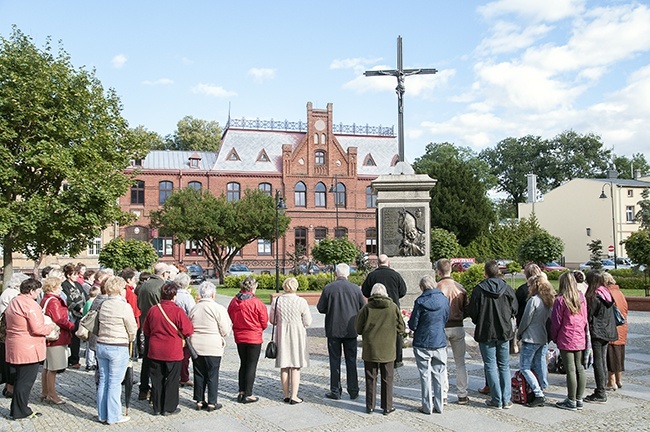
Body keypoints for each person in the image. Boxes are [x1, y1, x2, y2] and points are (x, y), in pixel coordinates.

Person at [468, 260, 518, 410]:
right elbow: (514, 309)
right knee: (504, 365)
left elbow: (473, 312)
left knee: (490, 365)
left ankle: (497, 399)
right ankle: (506, 399)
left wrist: (478, 320)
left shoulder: (479, 289)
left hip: (486, 331)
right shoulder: (507, 288)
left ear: (485, 272)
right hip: (503, 330)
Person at [5, 278, 54, 420]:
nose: (38, 294)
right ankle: (21, 411)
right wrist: (50, 327)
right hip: (29, 347)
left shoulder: (14, 301)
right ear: (32, 291)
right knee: (25, 381)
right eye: (37, 291)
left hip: (15, 344)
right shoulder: (30, 305)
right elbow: (38, 328)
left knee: (19, 378)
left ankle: (16, 408)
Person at [143, 281, 194, 416]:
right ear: (174, 296)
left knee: (156, 379)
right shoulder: (178, 311)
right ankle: (169, 407)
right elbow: (188, 330)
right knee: (172, 379)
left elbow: (146, 330)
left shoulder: (153, 310)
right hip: (173, 350)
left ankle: (157, 406)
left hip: (155, 349)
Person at [317, 263, 366, 400]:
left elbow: (321, 308)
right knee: (351, 360)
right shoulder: (355, 289)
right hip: (351, 330)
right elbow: (364, 307)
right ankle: (353, 390)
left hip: (334, 329)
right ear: (348, 274)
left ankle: (335, 390)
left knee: (334, 360)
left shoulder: (328, 288)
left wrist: (331, 308)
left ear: (336, 273)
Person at [355, 283, 405, 415]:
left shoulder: (366, 308)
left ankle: (370, 406)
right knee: (387, 378)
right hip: (388, 348)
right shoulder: (393, 307)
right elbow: (401, 328)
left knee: (371, 377)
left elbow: (358, 328)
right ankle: (387, 406)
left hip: (371, 348)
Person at [95, 276, 137, 425]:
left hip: (102, 344)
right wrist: (131, 338)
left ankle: (102, 414)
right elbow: (132, 327)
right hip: (118, 345)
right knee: (114, 382)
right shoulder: (124, 306)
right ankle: (113, 416)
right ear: (120, 289)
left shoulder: (104, 304)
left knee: (104, 381)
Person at [409, 275, 450, 415]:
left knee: (425, 375)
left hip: (422, 341)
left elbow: (413, 324)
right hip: (439, 340)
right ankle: (439, 405)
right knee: (439, 373)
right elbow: (445, 318)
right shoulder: (444, 300)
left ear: (422, 287)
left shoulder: (420, 302)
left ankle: (427, 406)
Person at [189, 281, 232, 411]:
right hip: (212, 345)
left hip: (196, 345)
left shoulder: (194, 308)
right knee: (212, 374)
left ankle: (199, 400)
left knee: (198, 373)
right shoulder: (218, 308)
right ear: (213, 294)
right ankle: (212, 401)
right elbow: (225, 330)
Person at [269, 277, 312, 404]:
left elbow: (272, 320)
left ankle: (285, 395)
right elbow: (308, 322)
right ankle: (294, 396)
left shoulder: (277, 301)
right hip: (297, 335)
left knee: (284, 365)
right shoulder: (301, 301)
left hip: (282, 334)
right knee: (295, 366)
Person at [361, 254, 407, 368]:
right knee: (395, 332)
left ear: (377, 263)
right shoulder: (395, 275)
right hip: (393, 306)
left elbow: (365, 291)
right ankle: (397, 359)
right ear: (388, 263)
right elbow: (403, 291)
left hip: (374, 308)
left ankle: (375, 357)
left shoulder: (372, 275)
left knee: (375, 333)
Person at [551, 272, 588, 410]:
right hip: (579, 335)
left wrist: (554, 337)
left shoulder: (560, 300)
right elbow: (585, 318)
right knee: (580, 367)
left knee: (571, 369)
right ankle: (579, 399)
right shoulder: (581, 298)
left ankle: (571, 399)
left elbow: (556, 322)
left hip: (566, 336)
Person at [227, 276, 268, 404]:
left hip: (239, 336)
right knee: (251, 365)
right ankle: (248, 394)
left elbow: (230, 316)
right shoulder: (257, 303)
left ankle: (241, 392)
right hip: (253, 337)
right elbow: (264, 322)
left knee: (243, 364)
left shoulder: (234, 301)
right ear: (253, 287)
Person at [517, 274, 555, 407]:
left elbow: (525, 320)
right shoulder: (548, 300)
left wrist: (519, 334)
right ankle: (540, 388)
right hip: (542, 336)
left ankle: (538, 393)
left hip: (531, 337)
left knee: (525, 367)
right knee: (539, 364)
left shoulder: (533, 300)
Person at [435, 259, 469, 404]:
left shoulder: (437, 288)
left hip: (442, 327)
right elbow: (466, 309)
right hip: (458, 326)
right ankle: (462, 394)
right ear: (451, 270)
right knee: (460, 362)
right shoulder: (460, 288)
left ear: (438, 271)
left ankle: (442, 395)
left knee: (442, 362)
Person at [41, 276, 75, 405]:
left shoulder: (46, 298)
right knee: (53, 368)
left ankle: (45, 391)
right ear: (54, 287)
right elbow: (60, 320)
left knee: (47, 366)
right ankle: (52, 394)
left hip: (50, 337)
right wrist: (72, 326)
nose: (61, 288)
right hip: (57, 337)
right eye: (59, 286)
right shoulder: (54, 301)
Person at [137, 262, 170, 401]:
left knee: (146, 359)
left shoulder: (144, 285)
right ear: (163, 274)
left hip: (146, 324)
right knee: (158, 361)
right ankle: (157, 391)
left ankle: (143, 389)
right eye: (167, 273)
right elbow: (164, 306)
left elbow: (139, 304)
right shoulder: (162, 286)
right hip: (158, 326)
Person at [585, 271, 618, 403]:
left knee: (598, 362)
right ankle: (602, 388)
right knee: (602, 360)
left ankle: (600, 392)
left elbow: (589, 315)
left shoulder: (594, 296)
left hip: (598, 332)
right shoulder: (606, 293)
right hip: (607, 331)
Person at [0, 272, 29, 398]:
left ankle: (8, 386)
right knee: (10, 361)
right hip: (8, 331)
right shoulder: (13, 294)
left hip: (5, 330)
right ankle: (10, 387)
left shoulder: (7, 292)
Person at [603, 273, 628, 391]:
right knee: (619, 355)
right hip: (622, 328)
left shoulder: (607, 293)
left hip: (612, 328)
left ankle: (611, 381)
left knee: (611, 355)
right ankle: (619, 379)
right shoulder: (619, 292)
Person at [61, 262, 88, 368]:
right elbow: (68, 300)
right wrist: (78, 308)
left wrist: (86, 306)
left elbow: (84, 295)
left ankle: (75, 358)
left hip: (81, 313)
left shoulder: (77, 284)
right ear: (68, 275)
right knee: (72, 337)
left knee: (77, 337)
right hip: (73, 314)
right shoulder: (65, 285)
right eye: (74, 274)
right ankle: (72, 359)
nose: (77, 276)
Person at [174, 272, 196, 387]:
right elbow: (192, 313)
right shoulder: (187, 297)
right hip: (184, 328)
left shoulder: (174, 295)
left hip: (173, 327)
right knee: (185, 355)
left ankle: (176, 375)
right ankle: (184, 376)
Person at [118, 268, 141, 361]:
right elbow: (133, 309)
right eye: (133, 279)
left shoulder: (124, 290)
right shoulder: (129, 293)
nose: (135, 281)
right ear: (128, 280)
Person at [83, 286, 101, 371]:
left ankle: (90, 362)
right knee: (91, 346)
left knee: (90, 345)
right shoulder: (91, 303)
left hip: (89, 326)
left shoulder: (88, 302)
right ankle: (90, 363)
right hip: (91, 326)